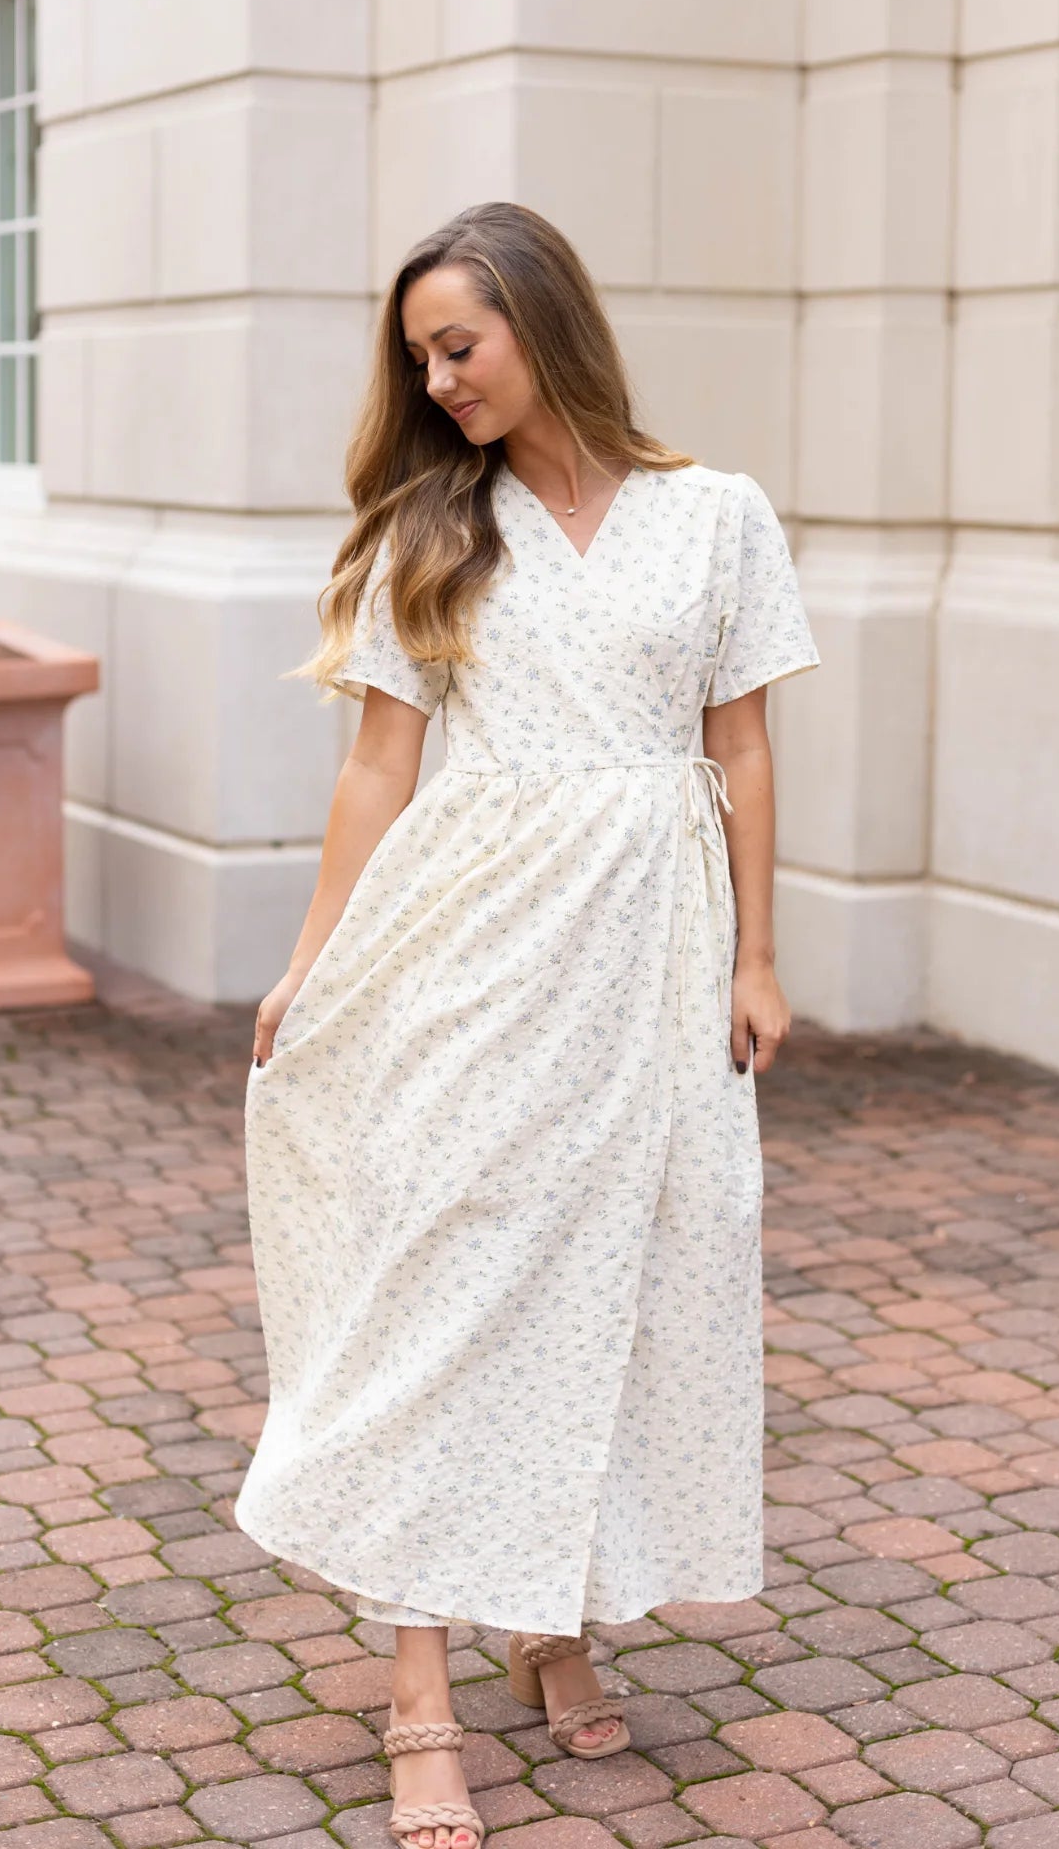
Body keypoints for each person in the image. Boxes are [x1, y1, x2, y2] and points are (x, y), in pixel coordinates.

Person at [236, 201, 821, 1849]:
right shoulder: (430, 527)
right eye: (417, 357)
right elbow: (374, 769)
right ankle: (420, 1684)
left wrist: (755, 958)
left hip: (652, 949)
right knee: (450, 1278)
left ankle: (548, 1614)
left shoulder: (716, 518)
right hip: (470, 945)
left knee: (625, 1272)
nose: (435, 381)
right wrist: (310, 961)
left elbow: (744, 748)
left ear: (541, 324)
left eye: (458, 345)